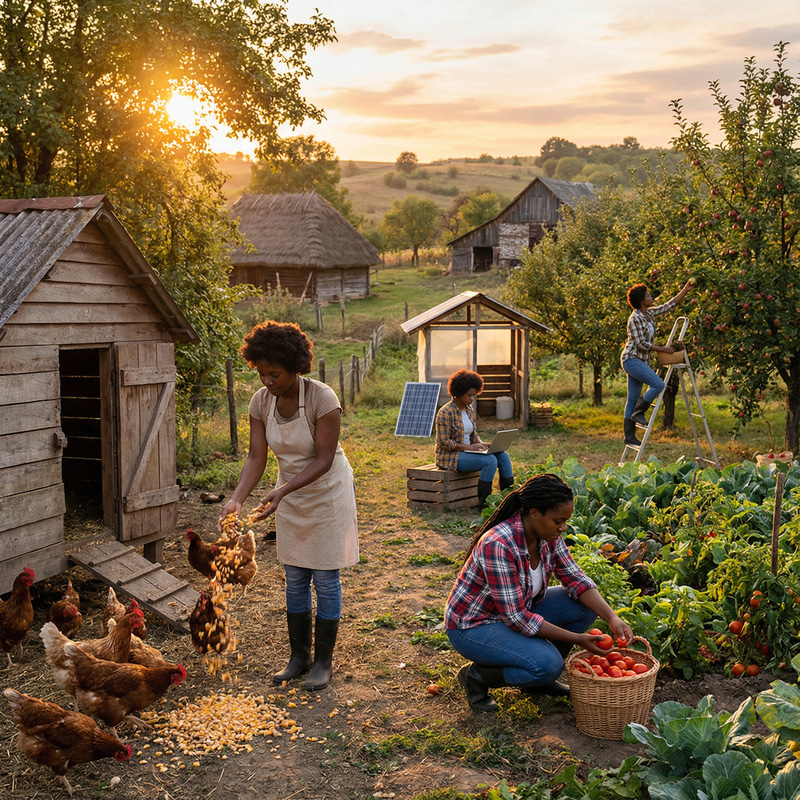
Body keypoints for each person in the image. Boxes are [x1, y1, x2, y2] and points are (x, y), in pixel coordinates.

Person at [218, 320, 358, 691]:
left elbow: (324, 459)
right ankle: (299, 657)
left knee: (325, 578)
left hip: (327, 492)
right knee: (295, 577)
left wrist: (282, 492)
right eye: (262, 374)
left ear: (296, 367)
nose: (267, 381)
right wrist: (236, 499)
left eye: (275, 374)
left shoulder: (323, 399)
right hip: (289, 492)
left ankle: (323, 662)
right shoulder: (261, 402)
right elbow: (255, 457)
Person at [445, 473, 633, 712]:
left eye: (565, 521)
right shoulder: (498, 544)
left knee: (584, 607)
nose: (563, 528)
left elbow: (576, 579)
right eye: (558, 521)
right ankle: (479, 676)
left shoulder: (548, 536)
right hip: (473, 626)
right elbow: (517, 618)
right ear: (534, 513)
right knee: (548, 665)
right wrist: (577, 639)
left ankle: (535, 680)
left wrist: (612, 617)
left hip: (516, 611)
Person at [621, 280, 694, 446]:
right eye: (648, 295)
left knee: (631, 399)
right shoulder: (635, 319)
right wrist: (661, 349)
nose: (651, 297)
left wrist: (685, 289)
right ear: (641, 300)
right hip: (631, 359)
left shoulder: (649, 314)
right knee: (658, 385)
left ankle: (629, 436)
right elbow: (640, 344)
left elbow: (669, 305)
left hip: (640, 361)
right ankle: (639, 412)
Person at [435, 369, 515, 509]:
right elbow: (443, 442)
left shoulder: (469, 409)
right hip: (451, 456)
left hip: (469, 452)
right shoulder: (445, 413)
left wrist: (481, 444)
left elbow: (473, 434)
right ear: (458, 393)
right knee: (490, 461)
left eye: (474, 395)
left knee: (503, 456)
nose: (472, 399)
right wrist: (468, 447)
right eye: (469, 395)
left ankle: (509, 501)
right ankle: (484, 505)